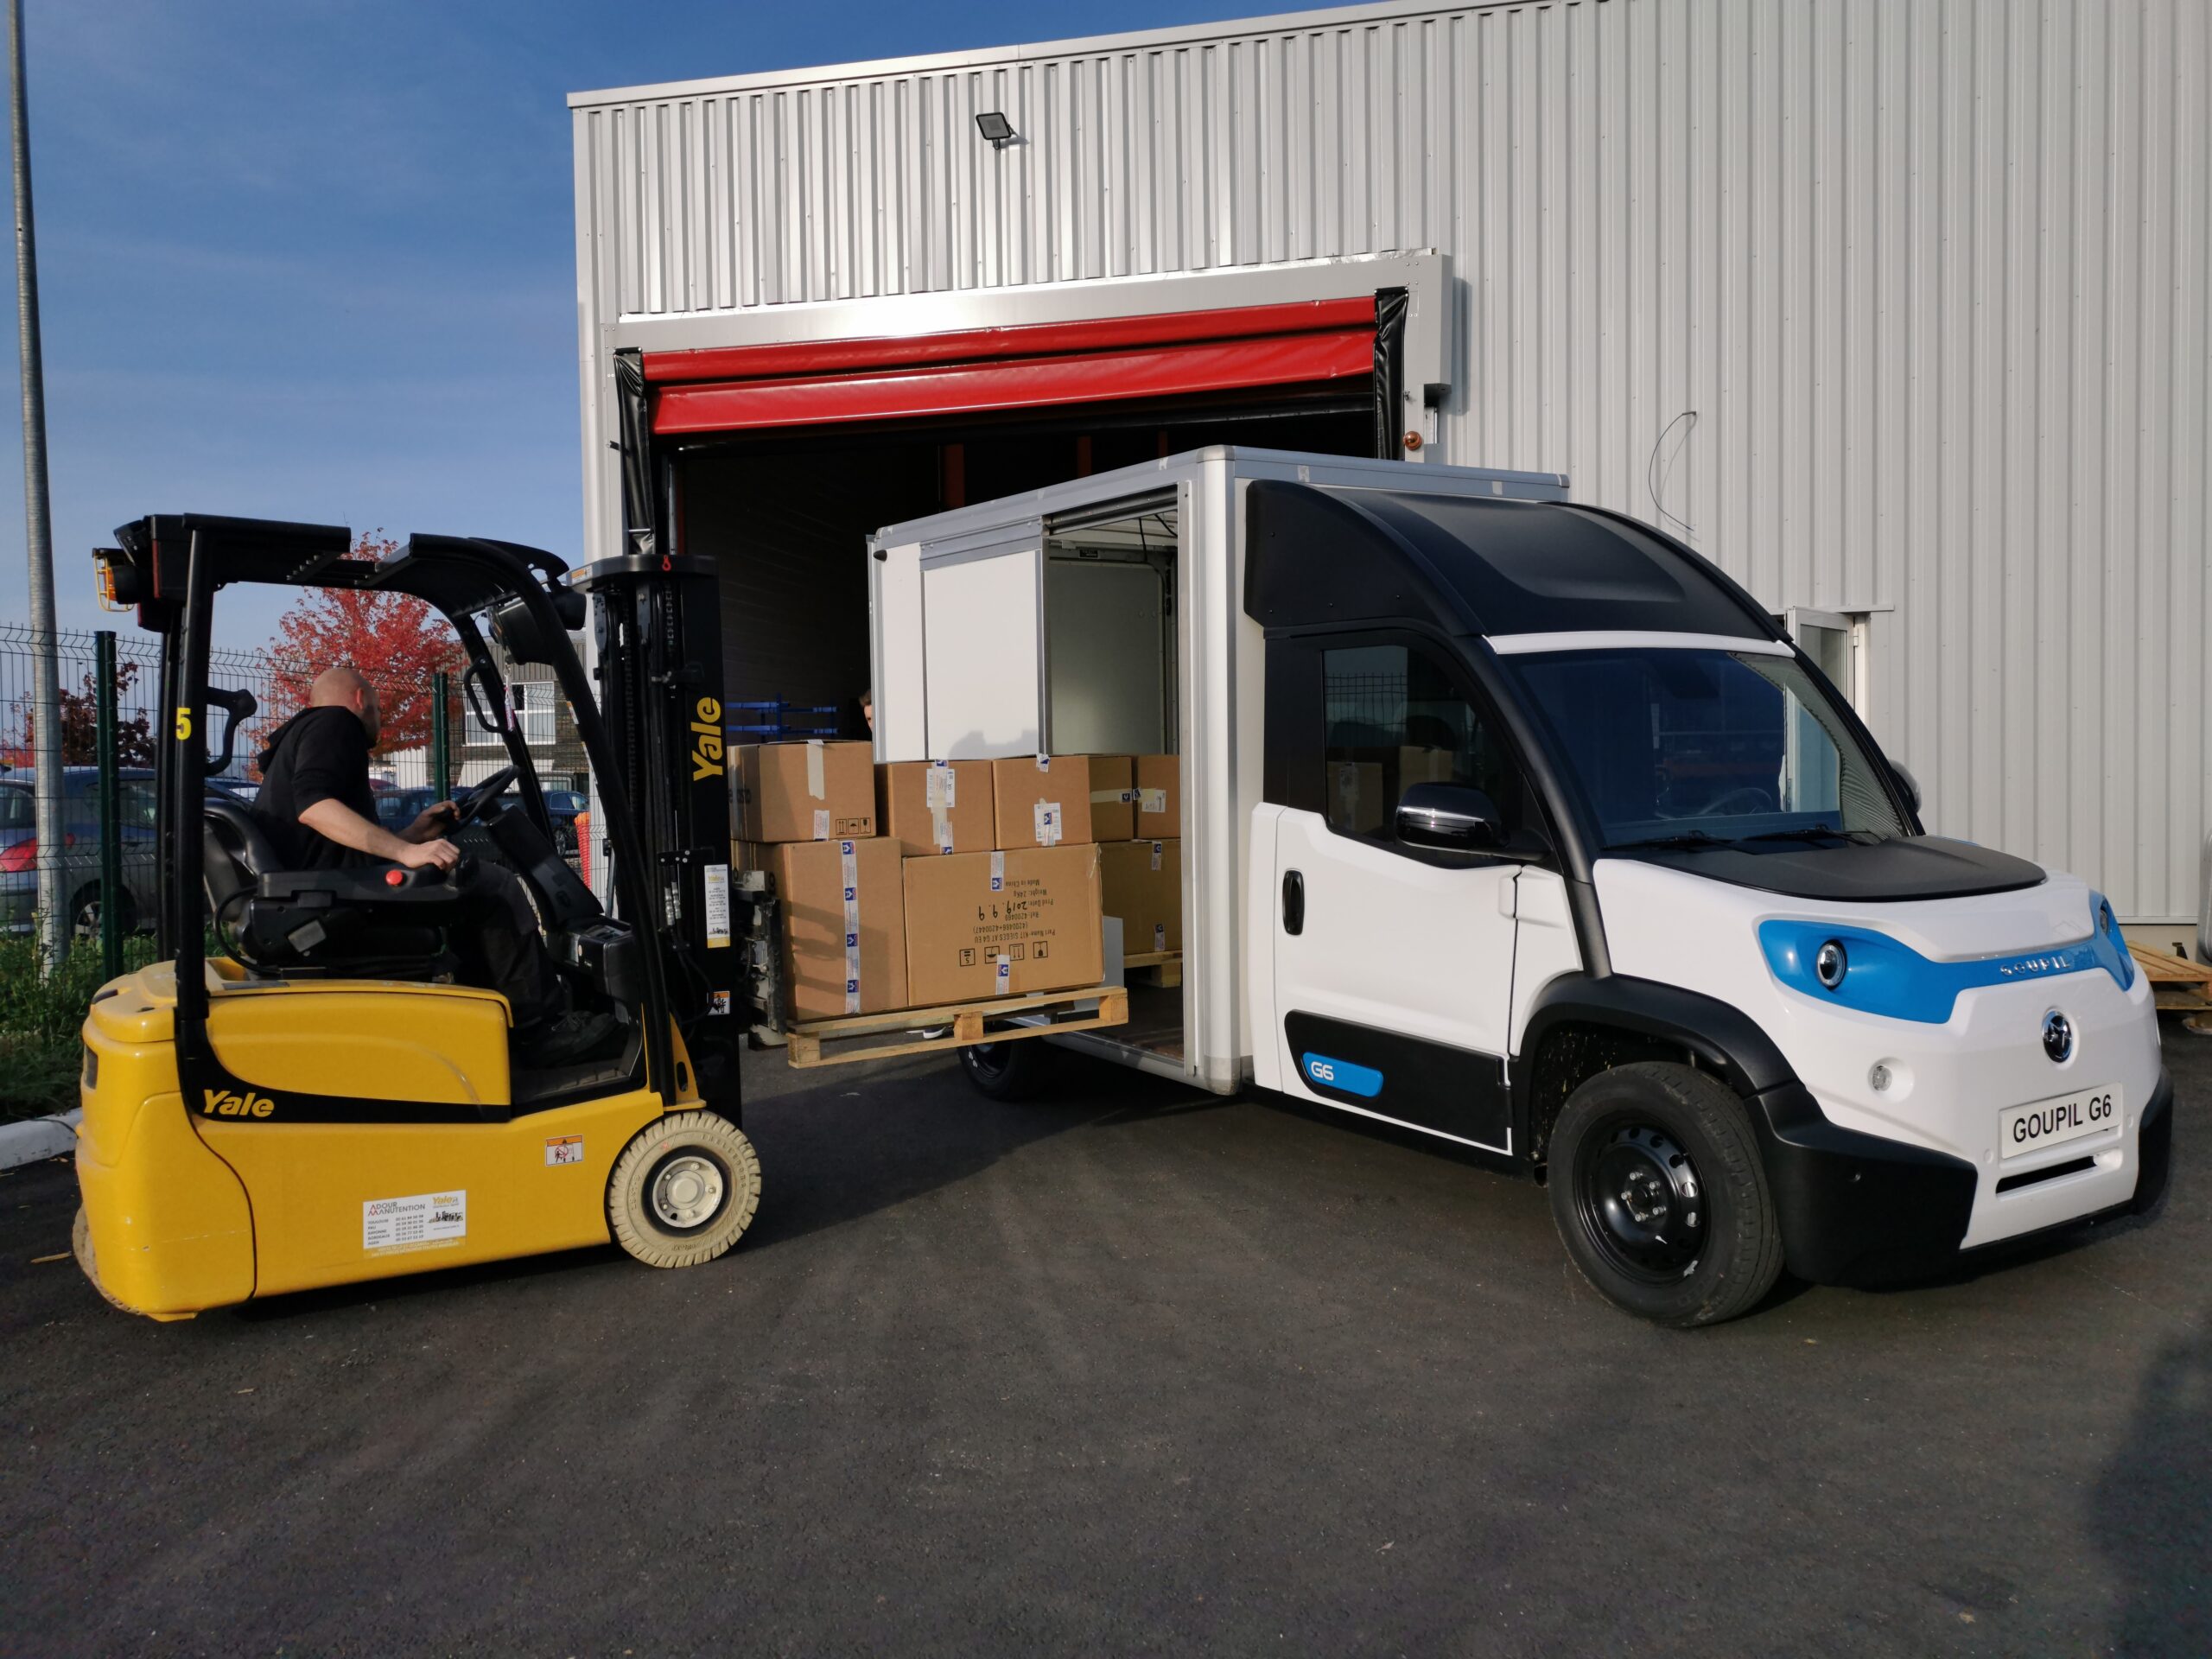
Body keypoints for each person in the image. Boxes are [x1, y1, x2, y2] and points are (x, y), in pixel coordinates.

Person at [251, 665, 613, 1066]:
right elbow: (315, 808)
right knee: (495, 887)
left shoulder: (300, 738)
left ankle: (489, 1024)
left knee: (467, 892)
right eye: (378, 710)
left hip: (327, 891)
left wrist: (414, 835)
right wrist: (406, 853)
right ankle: (537, 1030)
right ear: (360, 699)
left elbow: (335, 843)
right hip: (331, 904)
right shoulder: (336, 722)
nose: (380, 719)